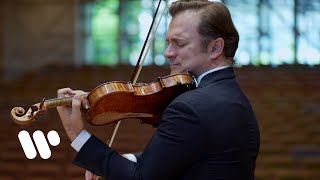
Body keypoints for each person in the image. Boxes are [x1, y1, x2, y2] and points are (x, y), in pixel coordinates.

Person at [57, 0, 260, 179]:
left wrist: (77, 135)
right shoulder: (234, 97)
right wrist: (126, 159)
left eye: (179, 43)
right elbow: (182, 159)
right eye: (168, 42)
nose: (167, 53)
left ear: (215, 48)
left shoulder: (190, 107)